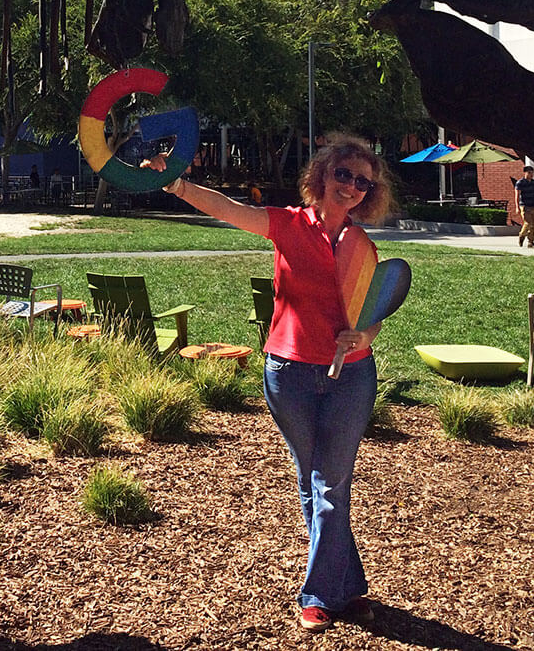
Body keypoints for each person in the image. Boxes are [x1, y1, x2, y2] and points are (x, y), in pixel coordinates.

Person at [145, 133, 396, 632]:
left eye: (362, 182)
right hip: (288, 373)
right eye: (343, 174)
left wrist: (364, 332)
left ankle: (319, 593)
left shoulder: (364, 247)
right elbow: (226, 207)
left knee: (330, 485)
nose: (350, 186)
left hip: (352, 376)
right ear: (322, 175)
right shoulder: (286, 225)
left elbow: (375, 313)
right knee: (313, 481)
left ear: (369, 194)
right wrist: (176, 183)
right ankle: (350, 588)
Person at [514, 166, 534, 249]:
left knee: (533, 226)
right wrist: (517, 207)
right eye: (529, 173)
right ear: (525, 173)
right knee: (528, 223)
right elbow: (517, 195)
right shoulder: (520, 183)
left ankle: (530, 242)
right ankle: (521, 235)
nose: (531, 174)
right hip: (524, 206)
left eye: (532, 173)